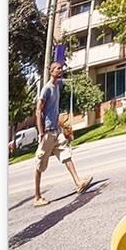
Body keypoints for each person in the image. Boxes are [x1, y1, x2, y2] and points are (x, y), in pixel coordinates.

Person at [32, 61, 93, 207]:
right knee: (40, 165)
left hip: (56, 131)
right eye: (58, 69)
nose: (61, 71)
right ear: (52, 71)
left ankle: (78, 182)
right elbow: (38, 111)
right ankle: (37, 197)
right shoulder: (46, 89)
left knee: (66, 154)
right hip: (46, 132)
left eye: (61, 69)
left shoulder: (57, 87)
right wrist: (41, 131)